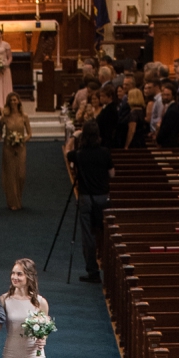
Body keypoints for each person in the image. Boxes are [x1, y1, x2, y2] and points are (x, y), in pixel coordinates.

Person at [72, 117, 112, 283]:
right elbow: (112, 173)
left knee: (88, 236)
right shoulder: (104, 152)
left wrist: (73, 140)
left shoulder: (80, 155)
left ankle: (93, 271)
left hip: (86, 197)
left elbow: (71, 161)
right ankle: (110, 270)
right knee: (105, 233)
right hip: (103, 196)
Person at [0, 93, 31, 211]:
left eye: (15, 100)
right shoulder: (5, 117)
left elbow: (30, 133)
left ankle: (19, 198)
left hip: (21, 148)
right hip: (8, 148)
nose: (13, 102)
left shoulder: (24, 116)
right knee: (11, 174)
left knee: (21, 174)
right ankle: (13, 201)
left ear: (18, 101)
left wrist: (21, 140)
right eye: (11, 100)